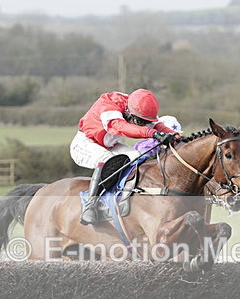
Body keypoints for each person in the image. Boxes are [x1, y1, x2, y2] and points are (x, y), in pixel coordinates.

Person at [71, 89, 180, 225]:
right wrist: (152, 133)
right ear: (129, 112)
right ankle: (90, 206)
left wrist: (177, 137)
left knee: (137, 156)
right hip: (84, 144)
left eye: (144, 122)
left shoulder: (139, 108)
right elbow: (121, 127)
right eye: (139, 121)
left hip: (110, 145)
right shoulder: (109, 104)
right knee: (107, 159)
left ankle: (128, 195)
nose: (142, 124)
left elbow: (157, 125)